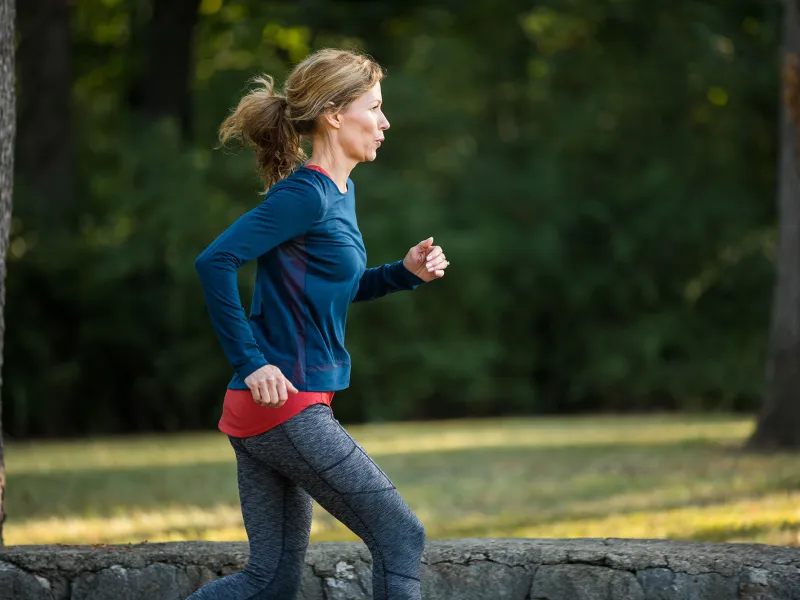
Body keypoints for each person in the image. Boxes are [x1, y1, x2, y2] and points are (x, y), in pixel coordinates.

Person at [188, 48, 449, 600]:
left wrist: (403, 274)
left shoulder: (340, 192)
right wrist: (252, 361)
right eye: (374, 108)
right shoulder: (304, 195)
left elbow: (335, 289)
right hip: (286, 406)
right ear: (334, 115)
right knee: (402, 536)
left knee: (269, 583)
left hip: (282, 408)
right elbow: (215, 261)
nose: (384, 123)